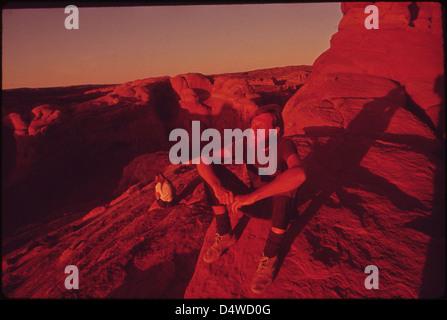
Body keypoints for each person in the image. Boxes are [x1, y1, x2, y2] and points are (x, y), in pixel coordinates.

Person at [197, 104, 307, 294]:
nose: (253, 130)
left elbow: (299, 175)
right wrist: (217, 186)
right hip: (251, 201)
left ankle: (270, 255)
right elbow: (203, 159)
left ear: (275, 130)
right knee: (211, 174)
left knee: (286, 187)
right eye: (252, 125)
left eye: (259, 127)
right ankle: (225, 234)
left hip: (276, 207)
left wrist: (252, 196)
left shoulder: (284, 145)